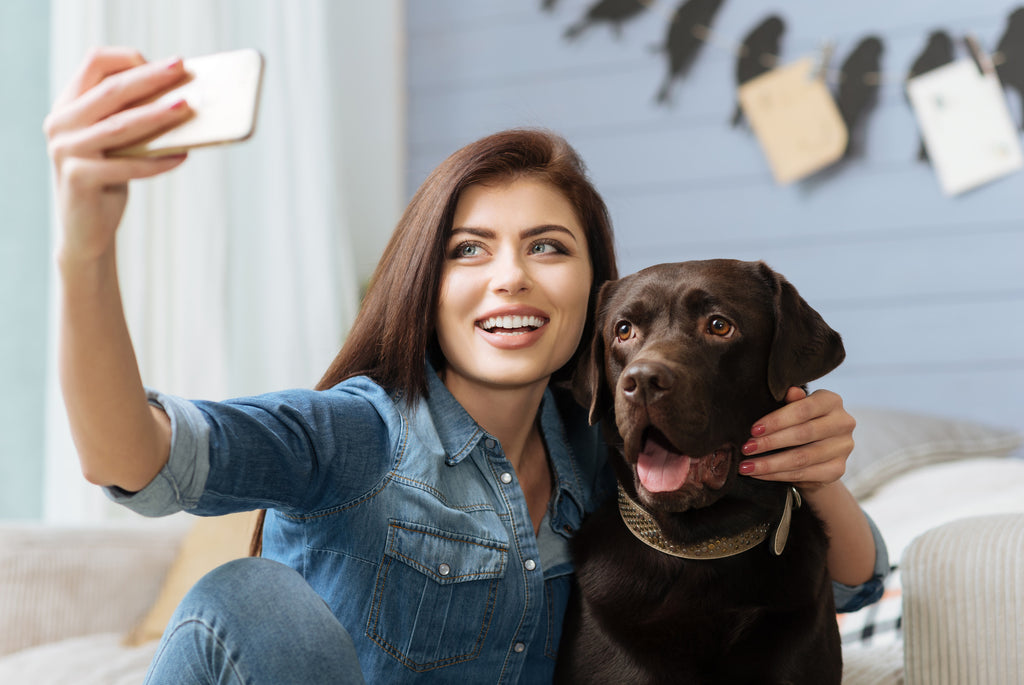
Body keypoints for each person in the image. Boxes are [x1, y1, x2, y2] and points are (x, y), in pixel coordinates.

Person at [45, 48, 888, 684]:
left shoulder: (614, 462)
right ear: (425, 284)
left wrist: (818, 475)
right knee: (251, 597)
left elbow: (855, 587)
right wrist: (85, 249)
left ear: (595, 298)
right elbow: (134, 458)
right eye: (469, 250)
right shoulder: (355, 433)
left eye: (547, 247)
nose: (510, 275)